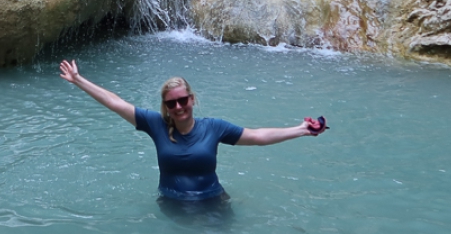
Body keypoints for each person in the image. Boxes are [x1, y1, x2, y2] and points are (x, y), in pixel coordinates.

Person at [58, 59, 327, 204]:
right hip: (172, 205)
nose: (178, 107)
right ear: (165, 105)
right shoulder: (156, 124)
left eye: (183, 100)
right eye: (171, 103)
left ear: (192, 99)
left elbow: (257, 137)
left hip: (214, 203)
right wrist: (79, 80)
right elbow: (115, 102)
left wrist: (301, 130)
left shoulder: (215, 127)